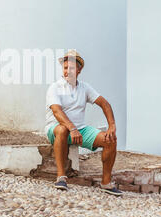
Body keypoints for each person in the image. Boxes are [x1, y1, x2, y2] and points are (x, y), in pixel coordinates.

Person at [45, 50, 122, 196]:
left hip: (80, 129)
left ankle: (106, 182)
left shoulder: (85, 87)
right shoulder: (55, 87)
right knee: (62, 130)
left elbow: (105, 104)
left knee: (110, 140)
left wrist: (112, 126)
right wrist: (72, 128)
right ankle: (61, 177)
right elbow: (57, 112)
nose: (68, 71)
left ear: (79, 70)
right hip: (56, 128)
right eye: (65, 68)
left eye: (72, 68)